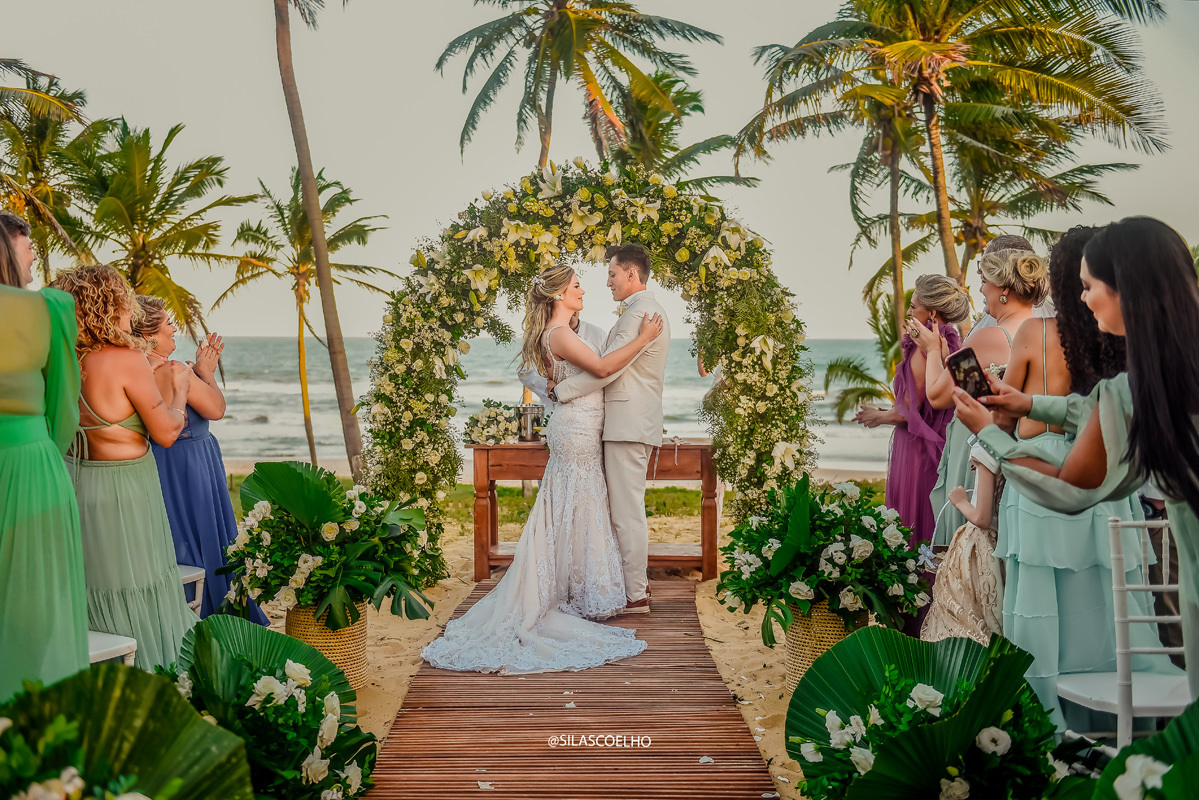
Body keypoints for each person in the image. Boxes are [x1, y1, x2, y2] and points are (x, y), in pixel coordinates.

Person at [953, 216, 1199, 704]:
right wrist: (1027, 404)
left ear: (1126, 287)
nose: (1080, 300)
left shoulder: (1137, 390)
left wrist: (990, 434)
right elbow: (1099, 410)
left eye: (1088, 287)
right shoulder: (1158, 378)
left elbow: (1070, 488)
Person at [421, 262, 662, 673]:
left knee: (576, 503)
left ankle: (576, 587)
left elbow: (586, 372)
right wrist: (643, 339)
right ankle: (576, 591)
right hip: (578, 428)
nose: (583, 289)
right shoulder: (560, 333)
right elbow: (603, 370)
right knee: (579, 502)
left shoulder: (557, 333)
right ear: (557, 295)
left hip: (579, 425)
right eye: (575, 285)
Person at [990, 228, 1173, 728]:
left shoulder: (1033, 333)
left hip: (1047, 472)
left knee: (1040, 608)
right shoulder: (1123, 340)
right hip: (1109, 475)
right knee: (1114, 597)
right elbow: (1098, 408)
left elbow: (1006, 419)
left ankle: (1045, 731)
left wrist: (996, 420)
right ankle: (1126, 727)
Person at [51, 266, 198, 670]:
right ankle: (156, 671)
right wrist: (181, 392)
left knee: (94, 584)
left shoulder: (63, 358)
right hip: (126, 489)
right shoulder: (125, 358)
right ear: (110, 303)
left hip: (76, 480)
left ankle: (103, 668)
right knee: (140, 581)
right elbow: (167, 431)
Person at [547, 244, 671, 614]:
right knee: (622, 509)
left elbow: (608, 368)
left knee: (625, 512)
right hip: (628, 423)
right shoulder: (642, 312)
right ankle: (632, 587)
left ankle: (636, 595)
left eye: (613, 274)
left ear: (632, 274)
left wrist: (562, 391)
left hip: (627, 424)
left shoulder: (641, 314)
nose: (607, 282)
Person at [132, 297, 267, 623]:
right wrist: (205, 372)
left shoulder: (138, 373)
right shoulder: (177, 371)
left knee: (178, 542)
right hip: (194, 467)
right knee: (209, 540)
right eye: (167, 323)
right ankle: (220, 617)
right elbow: (217, 409)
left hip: (160, 466)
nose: (174, 327)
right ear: (150, 334)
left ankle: (183, 614)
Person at [0, 214, 88, 700]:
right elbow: (63, 408)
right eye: (26, 246)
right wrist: (44, 459)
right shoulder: (49, 309)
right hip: (30, 467)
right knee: (34, 612)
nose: (32, 255)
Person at [920, 248, 1049, 544]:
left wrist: (931, 350)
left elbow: (939, 395)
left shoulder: (989, 337)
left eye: (985, 282)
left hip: (980, 446)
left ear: (1003, 289)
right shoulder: (1045, 331)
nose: (981, 289)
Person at [854, 274, 969, 545]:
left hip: (919, 452)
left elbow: (910, 412)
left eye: (913, 305)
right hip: (938, 446)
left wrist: (878, 416)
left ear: (930, 312)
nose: (908, 311)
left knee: (912, 528)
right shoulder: (953, 341)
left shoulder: (924, 350)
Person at [920, 442, 1004, 646]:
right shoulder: (1012, 443)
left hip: (977, 548)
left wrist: (960, 502)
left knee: (965, 613)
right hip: (1000, 542)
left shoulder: (986, 448)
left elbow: (982, 518)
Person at [519, 310, 605, 411]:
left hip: (590, 408)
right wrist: (545, 384)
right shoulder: (543, 334)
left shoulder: (597, 333)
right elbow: (525, 371)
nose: (572, 312)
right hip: (555, 408)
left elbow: (605, 370)